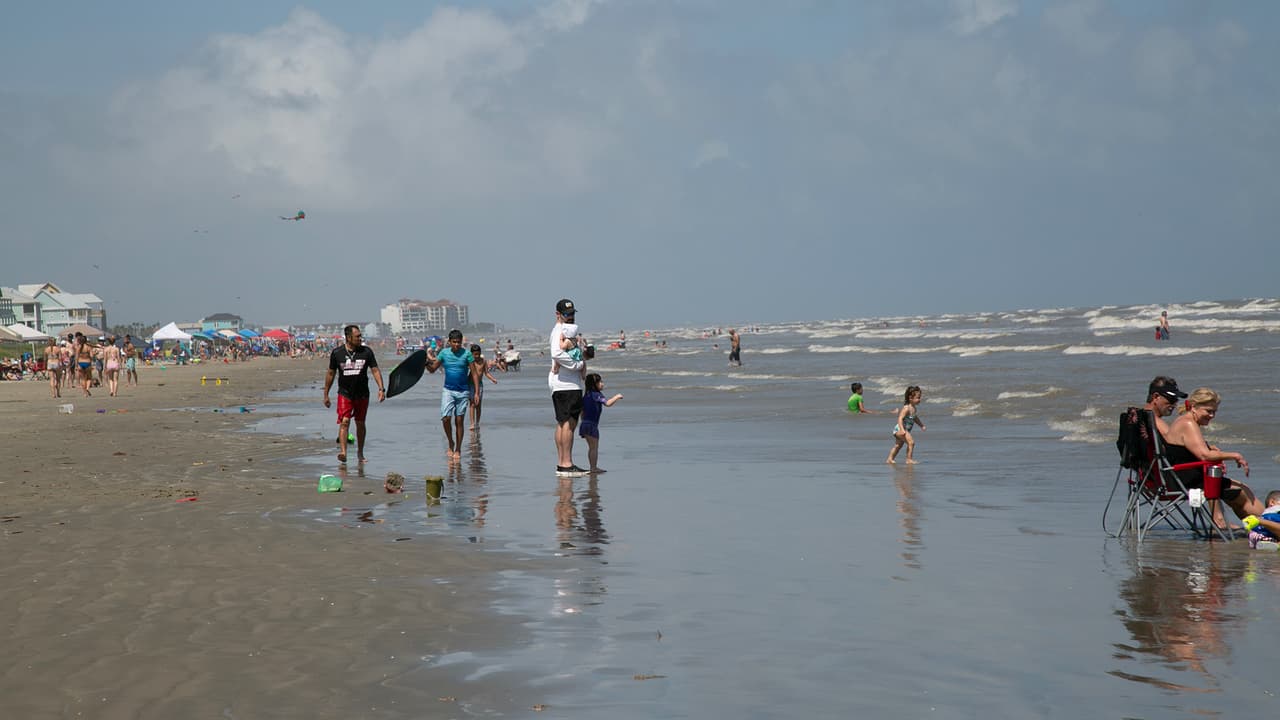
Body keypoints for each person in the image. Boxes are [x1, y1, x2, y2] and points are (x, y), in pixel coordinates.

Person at [1163, 386, 1263, 524]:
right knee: (1243, 493)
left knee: (1240, 489)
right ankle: (1270, 524)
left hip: (1180, 476)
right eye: (1208, 411)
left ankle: (1255, 527)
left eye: (1214, 412)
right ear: (1193, 407)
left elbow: (1190, 449)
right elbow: (1204, 456)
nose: (1212, 416)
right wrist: (1234, 455)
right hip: (1187, 480)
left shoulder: (1183, 420)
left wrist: (1212, 450)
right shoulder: (1188, 423)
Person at [322, 325, 385, 464]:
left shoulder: (366, 352)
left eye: (360, 336)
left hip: (362, 394)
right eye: (357, 336)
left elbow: (375, 370)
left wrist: (381, 389)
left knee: (360, 423)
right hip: (345, 393)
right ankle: (343, 452)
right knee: (345, 421)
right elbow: (331, 373)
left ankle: (360, 453)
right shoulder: (337, 353)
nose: (360, 338)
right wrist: (326, 393)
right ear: (348, 337)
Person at [426, 329, 478, 460]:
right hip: (448, 390)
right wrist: (426, 363)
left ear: (462, 342)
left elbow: (474, 374)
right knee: (445, 418)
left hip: (463, 391)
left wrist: (476, 392)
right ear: (449, 342)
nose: (456, 344)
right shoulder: (444, 353)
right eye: (454, 342)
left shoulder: (467, 354)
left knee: (459, 421)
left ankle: (458, 448)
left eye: (459, 342)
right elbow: (432, 369)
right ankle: (450, 441)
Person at [550, 298, 588, 477]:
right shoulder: (560, 330)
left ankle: (562, 463)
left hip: (563, 383)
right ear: (558, 314)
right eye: (567, 314)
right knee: (569, 423)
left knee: (563, 423)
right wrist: (577, 364)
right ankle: (566, 464)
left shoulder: (566, 330)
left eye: (572, 313)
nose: (570, 316)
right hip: (566, 384)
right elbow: (556, 353)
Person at [579, 373, 623, 474]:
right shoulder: (597, 395)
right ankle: (593, 468)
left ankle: (592, 467)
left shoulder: (586, 396)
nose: (602, 384)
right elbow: (607, 403)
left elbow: (582, 411)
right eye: (600, 382)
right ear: (595, 384)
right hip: (592, 425)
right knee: (594, 447)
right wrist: (617, 396)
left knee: (591, 447)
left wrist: (583, 421)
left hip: (584, 424)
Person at [886, 385, 926, 464]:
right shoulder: (906, 408)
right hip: (900, 429)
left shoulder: (914, 408)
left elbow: (915, 418)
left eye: (920, 397)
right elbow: (900, 418)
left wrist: (921, 425)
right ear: (910, 398)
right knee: (911, 442)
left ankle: (890, 459)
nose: (919, 399)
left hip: (903, 430)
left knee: (898, 445)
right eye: (918, 398)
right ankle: (909, 459)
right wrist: (902, 429)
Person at [468, 342, 498, 430]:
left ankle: (477, 422)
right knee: (472, 404)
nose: (476, 356)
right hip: (470, 384)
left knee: (478, 405)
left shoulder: (483, 361)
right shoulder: (470, 362)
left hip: (479, 385)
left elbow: (486, 373)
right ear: (471, 354)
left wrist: (492, 379)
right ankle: (472, 423)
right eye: (474, 354)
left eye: (478, 354)